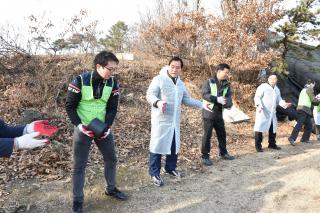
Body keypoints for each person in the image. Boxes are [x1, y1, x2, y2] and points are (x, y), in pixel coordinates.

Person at [66, 51, 127, 213]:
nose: (112, 73)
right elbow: (70, 107)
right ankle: (77, 200)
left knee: (111, 159)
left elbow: (112, 108)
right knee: (79, 165)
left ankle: (111, 188)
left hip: (102, 128)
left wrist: (107, 127)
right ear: (98, 66)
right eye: (110, 69)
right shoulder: (79, 81)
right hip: (82, 128)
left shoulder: (113, 83)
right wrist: (79, 125)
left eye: (115, 69)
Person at [146, 56, 202, 187]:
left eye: (178, 67)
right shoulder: (159, 79)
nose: (175, 69)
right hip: (161, 120)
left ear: (181, 69)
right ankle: (154, 173)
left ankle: (170, 168)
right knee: (157, 146)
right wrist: (158, 102)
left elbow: (187, 100)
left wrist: (202, 104)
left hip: (174, 121)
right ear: (168, 66)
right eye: (173, 66)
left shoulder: (181, 84)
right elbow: (150, 95)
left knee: (173, 145)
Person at [201, 64, 234, 166]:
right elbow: (205, 94)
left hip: (219, 113)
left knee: (222, 134)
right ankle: (205, 157)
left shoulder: (226, 84)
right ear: (219, 71)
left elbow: (228, 97)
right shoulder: (209, 82)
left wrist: (229, 105)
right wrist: (216, 99)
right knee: (207, 135)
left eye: (228, 73)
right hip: (209, 113)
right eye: (226, 72)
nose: (227, 74)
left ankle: (223, 153)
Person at [253, 73, 291, 152]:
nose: (273, 80)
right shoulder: (263, 87)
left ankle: (272, 144)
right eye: (271, 78)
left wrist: (284, 104)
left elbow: (279, 99)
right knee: (259, 128)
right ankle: (258, 146)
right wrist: (259, 105)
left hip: (272, 113)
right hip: (263, 111)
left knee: (272, 128)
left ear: (277, 80)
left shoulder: (277, 89)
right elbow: (257, 97)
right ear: (268, 79)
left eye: (275, 79)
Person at [289, 80, 320, 145]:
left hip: (303, 109)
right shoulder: (309, 89)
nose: (314, 86)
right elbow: (314, 100)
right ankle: (292, 138)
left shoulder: (303, 90)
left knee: (309, 125)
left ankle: (304, 139)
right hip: (304, 109)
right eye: (313, 85)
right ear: (311, 84)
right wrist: (318, 100)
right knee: (299, 124)